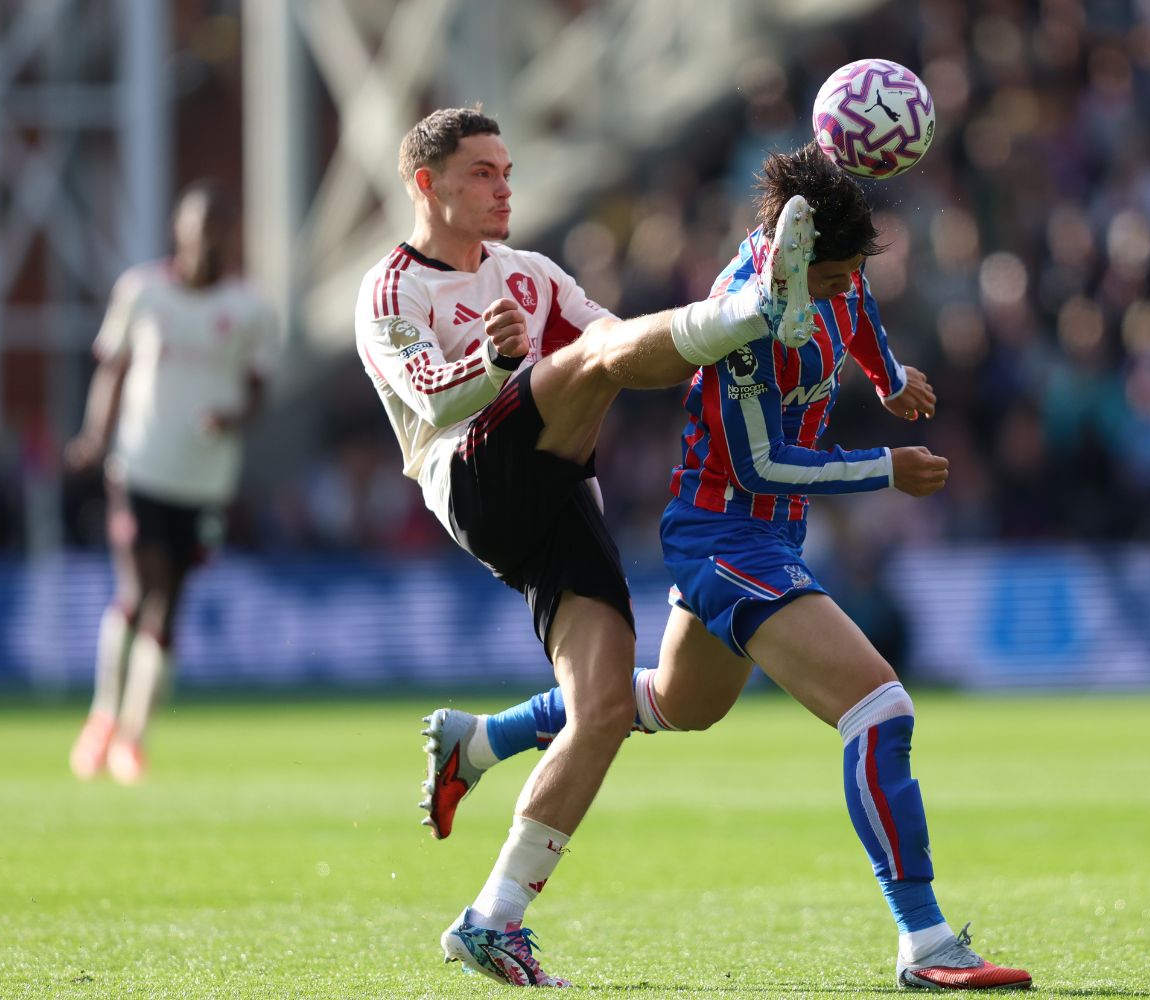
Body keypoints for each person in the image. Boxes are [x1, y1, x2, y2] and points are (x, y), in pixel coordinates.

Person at [422, 144, 1033, 991]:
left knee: (677, 703)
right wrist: (882, 468)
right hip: (724, 536)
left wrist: (887, 378)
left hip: (768, 539)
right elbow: (762, 468)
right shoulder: (744, 329)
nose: (839, 291)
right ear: (796, 264)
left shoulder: (829, 272)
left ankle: (482, 740)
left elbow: (858, 311)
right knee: (879, 706)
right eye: (827, 280)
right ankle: (926, 943)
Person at [354, 107, 820, 988]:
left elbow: (634, 348)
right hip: (475, 484)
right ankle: (755, 301)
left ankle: (491, 918)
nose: (505, 188)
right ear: (428, 184)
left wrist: (736, 353)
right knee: (585, 363)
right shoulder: (392, 290)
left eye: (508, 170)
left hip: (560, 496)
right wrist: (498, 364)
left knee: (601, 709)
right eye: (484, 172)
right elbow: (432, 403)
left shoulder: (529, 274)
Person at [66, 182, 275, 785]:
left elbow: (260, 389)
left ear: (229, 233)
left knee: (169, 606)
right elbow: (112, 368)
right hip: (138, 466)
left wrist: (231, 417)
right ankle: (103, 717)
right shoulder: (142, 291)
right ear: (179, 232)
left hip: (204, 479)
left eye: (217, 228)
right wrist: (93, 436)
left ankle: (132, 736)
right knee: (139, 587)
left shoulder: (251, 310)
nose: (206, 240)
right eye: (197, 227)